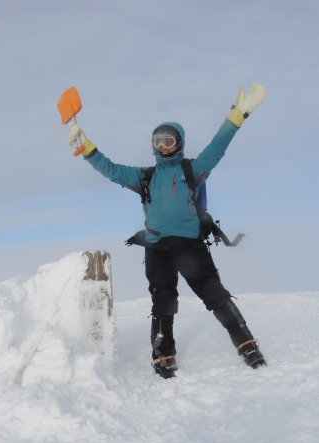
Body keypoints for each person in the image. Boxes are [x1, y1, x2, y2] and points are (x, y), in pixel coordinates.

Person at [67, 83, 267, 379]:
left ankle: (248, 346)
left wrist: (238, 115)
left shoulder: (192, 170)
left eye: (169, 141)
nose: (163, 146)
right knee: (163, 302)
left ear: (179, 143)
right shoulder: (144, 177)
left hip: (190, 246)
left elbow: (218, 146)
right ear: (153, 145)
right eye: (158, 141)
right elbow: (110, 169)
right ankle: (164, 356)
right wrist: (86, 148)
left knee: (215, 295)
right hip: (157, 248)